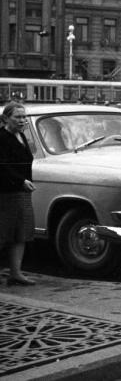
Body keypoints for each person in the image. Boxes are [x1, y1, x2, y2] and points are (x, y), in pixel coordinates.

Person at [0, 102, 36, 285]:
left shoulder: (21, 135)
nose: (22, 120)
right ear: (6, 118)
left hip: (22, 192)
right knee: (4, 234)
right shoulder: (2, 137)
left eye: (24, 117)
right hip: (7, 193)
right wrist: (20, 181)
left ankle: (16, 272)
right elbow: (2, 166)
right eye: (18, 117)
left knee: (21, 233)